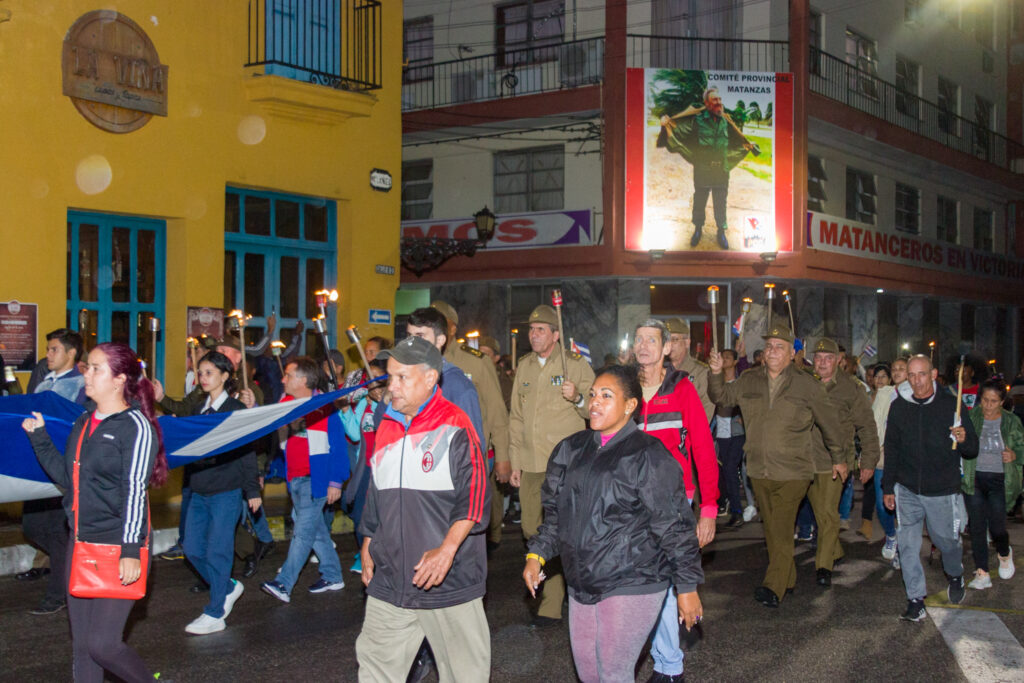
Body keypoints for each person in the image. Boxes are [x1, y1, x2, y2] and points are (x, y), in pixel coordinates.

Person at [523, 364, 704, 683]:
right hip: (582, 582)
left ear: (630, 405)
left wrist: (687, 587)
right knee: (589, 673)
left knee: (613, 672)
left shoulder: (649, 454)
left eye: (607, 396)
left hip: (633, 579)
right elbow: (555, 515)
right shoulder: (571, 449)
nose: (594, 402)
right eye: (593, 394)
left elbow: (674, 527)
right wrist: (537, 555)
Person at [22, 342, 167, 682]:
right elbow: (66, 478)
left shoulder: (136, 426)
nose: (87, 374)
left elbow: (135, 491)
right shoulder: (84, 422)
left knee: (103, 644)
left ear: (119, 380)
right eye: (88, 367)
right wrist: (40, 438)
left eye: (96, 368)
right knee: (83, 647)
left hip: (119, 545)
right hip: (80, 543)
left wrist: (131, 550)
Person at [355, 336, 490, 682]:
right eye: (389, 377)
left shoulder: (455, 424)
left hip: (445, 578)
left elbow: (475, 498)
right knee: (375, 669)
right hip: (391, 577)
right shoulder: (387, 423)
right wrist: (369, 541)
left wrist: (446, 550)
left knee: (464, 674)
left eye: (403, 378)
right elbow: (377, 491)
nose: (392, 387)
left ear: (431, 378)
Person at [708, 324, 845, 607]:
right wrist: (715, 372)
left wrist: (839, 458)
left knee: (781, 526)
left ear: (791, 353)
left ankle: (774, 586)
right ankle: (789, 577)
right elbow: (721, 398)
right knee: (772, 529)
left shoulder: (807, 384)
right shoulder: (749, 380)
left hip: (794, 471)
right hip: (758, 470)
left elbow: (830, 424)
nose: (772, 351)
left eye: (779, 346)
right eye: (769, 346)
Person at [631, 319, 716, 683]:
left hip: (674, 500)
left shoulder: (682, 389)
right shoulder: (625, 387)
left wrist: (708, 508)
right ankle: (665, 660)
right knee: (641, 582)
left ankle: (669, 665)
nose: (643, 346)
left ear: (666, 348)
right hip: (631, 502)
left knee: (666, 581)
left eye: (652, 340)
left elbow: (703, 447)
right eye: (638, 339)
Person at [509, 304, 596, 627]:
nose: (534, 335)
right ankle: (554, 589)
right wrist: (514, 459)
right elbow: (516, 417)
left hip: (564, 464)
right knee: (533, 530)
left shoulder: (575, 364)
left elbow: (597, 409)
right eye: (532, 330)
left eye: (541, 330)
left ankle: (552, 603)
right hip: (531, 463)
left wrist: (578, 398)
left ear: (556, 335)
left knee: (562, 531)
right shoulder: (525, 367)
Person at [883, 355, 978, 622]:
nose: (916, 381)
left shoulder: (952, 406)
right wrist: (888, 486)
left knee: (946, 542)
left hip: (942, 490)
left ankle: (956, 573)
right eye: (911, 375)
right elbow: (891, 448)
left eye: (921, 374)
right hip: (907, 488)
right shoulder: (900, 407)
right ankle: (915, 599)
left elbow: (972, 450)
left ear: (933, 374)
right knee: (908, 546)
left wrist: (964, 438)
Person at [181, 351, 262, 634]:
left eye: (209, 373)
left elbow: (247, 452)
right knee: (191, 548)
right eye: (200, 373)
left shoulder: (235, 409)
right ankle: (227, 587)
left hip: (227, 491)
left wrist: (252, 488)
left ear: (225, 376)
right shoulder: (198, 410)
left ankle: (215, 613)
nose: (203, 378)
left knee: (218, 551)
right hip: (199, 489)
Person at [261, 357, 348, 603]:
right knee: (315, 529)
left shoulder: (323, 406)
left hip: (316, 479)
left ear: (303, 380)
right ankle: (333, 575)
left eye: (288, 375)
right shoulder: (286, 403)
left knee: (302, 531)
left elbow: (338, 447)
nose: (282, 379)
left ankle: (284, 584)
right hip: (295, 478)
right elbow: (268, 425)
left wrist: (336, 481)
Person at [22, 328, 89, 615]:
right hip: (38, 466)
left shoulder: (81, 386)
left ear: (70, 354)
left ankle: (58, 594)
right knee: (33, 528)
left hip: (60, 467)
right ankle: (68, 567)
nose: (47, 355)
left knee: (56, 531)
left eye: (54, 350)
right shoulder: (43, 382)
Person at [804, 338, 880, 587]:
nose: (822, 363)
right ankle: (835, 550)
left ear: (839, 360)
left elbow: (867, 427)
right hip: (803, 460)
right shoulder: (804, 382)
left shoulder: (851, 388)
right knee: (820, 513)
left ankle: (823, 565)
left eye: (828, 358)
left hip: (834, 462)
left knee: (827, 512)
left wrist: (868, 461)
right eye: (818, 358)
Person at [657, 86, 757, 250]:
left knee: (720, 202)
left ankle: (721, 231)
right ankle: (697, 229)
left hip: (721, 171)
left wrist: (748, 145)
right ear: (707, 103)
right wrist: (667, 124)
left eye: (720, 100)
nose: (719, 103)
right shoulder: (698, 122)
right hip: (703, 169)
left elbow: (737, 139)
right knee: (700, 201)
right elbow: (681, 133)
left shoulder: (726, 121)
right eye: (715, 100)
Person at [963, 380, 1023, 589]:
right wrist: (961, 438)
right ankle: (982, 572)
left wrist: (1014, 454)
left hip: (1000, 480)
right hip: (974, 478)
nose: (988, 405)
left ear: (1002, 402)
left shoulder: (1012, 422)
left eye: (993, 401)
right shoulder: (971, 418)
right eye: (985, 400)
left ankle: (1004, 553)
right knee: (977, 527)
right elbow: (962, 445)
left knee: (997, 527)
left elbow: (1022, 450)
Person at [340, 357, 388, 574]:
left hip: (384, 470)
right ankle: (365, 552)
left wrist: (383, 403)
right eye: (370, 378)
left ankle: (381, 557)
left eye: (378, 378)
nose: (373, 383)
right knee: (360, 516)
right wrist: (344, 410)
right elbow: (353, 433)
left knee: (382, 517)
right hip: (364, 468)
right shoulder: (363, 404)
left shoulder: (392, 404)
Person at [866, 364, 899, 565]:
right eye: (876, 376)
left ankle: (902, 551)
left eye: (884, 376)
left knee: (903, 506)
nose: (880, 380)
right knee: (881, 504)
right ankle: (891, 534)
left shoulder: (894, 395)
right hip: (877, 458)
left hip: (894, 455)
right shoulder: (868, 397)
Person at [715, 349, 747, 528]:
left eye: (728, 357)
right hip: (720, 432)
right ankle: (725, 502)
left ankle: (737, 511)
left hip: (737, 432)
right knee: (721, 472)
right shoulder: (716, 382)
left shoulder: (741, 382)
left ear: (735, 361)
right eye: (722, 356)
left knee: (729, 468)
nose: (724, 359)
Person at [664, 318, 714, 421]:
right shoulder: (660, 371)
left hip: (689, 433)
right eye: (667, 340)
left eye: (675, 339)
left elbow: (707, 408)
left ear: (687, 342)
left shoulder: (701, 372)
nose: (670, 344)